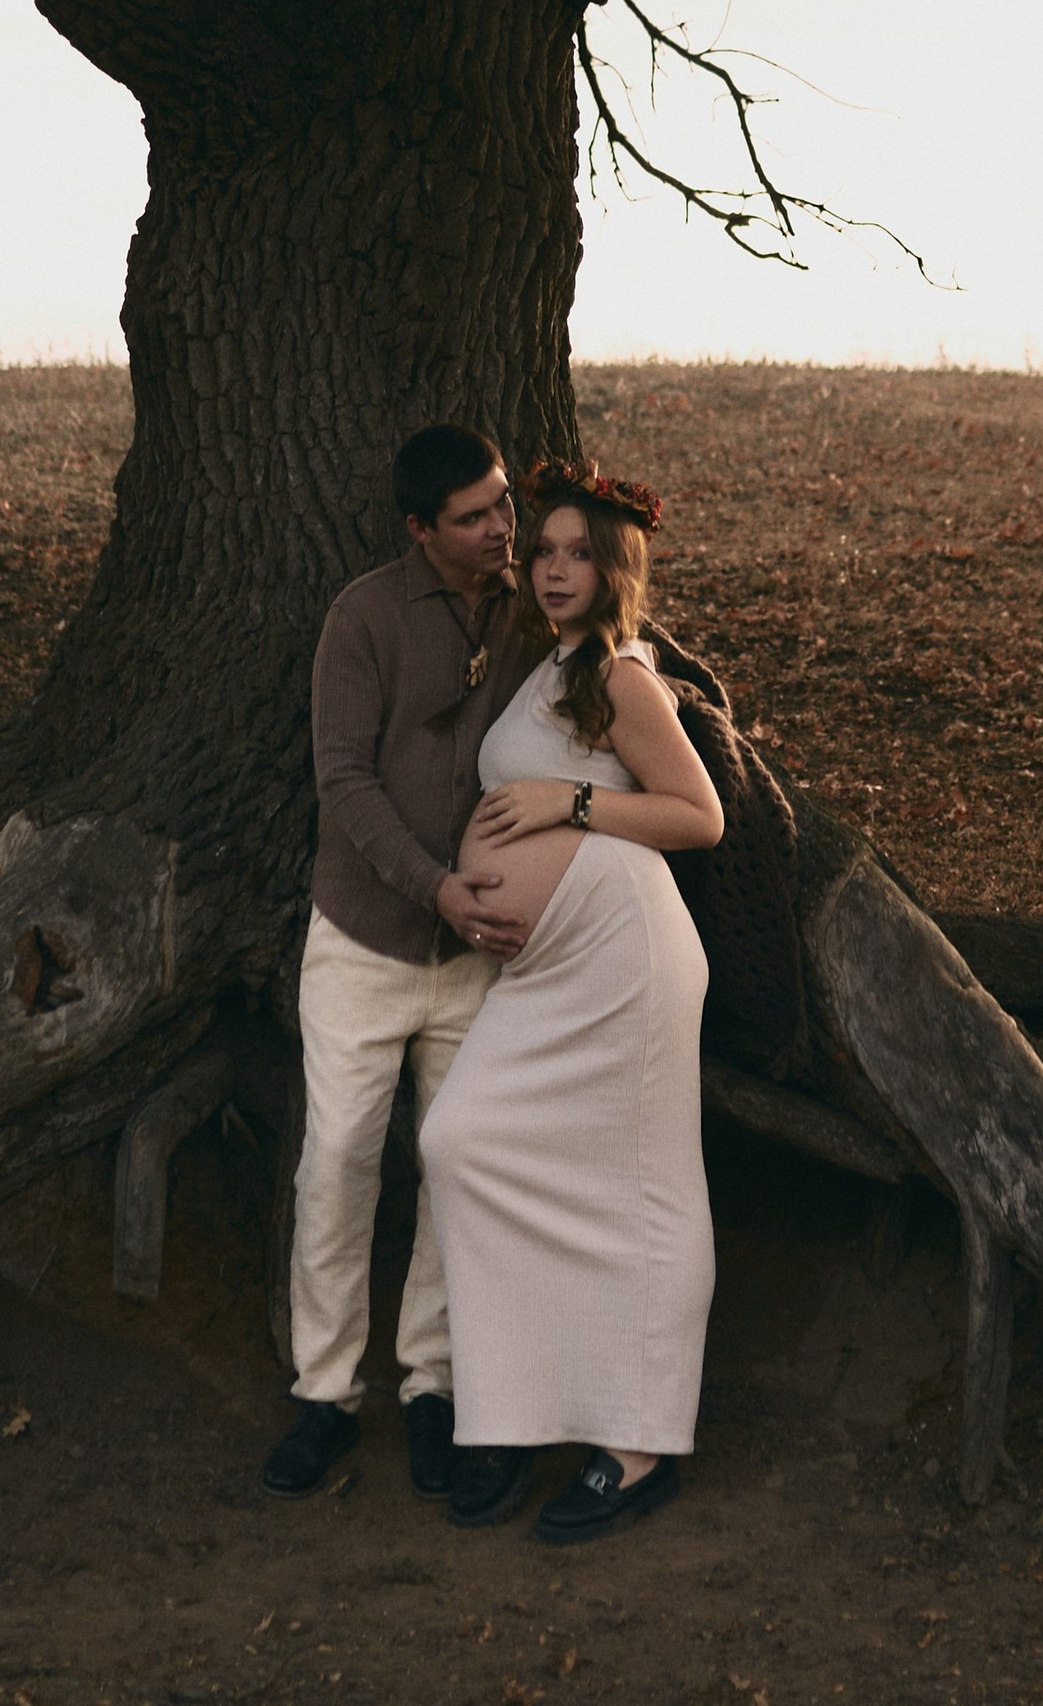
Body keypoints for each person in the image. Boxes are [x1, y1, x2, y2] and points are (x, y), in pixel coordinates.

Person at [419, 459, 726, 1544]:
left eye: (576, 551)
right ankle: (514, 1407)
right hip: (549, 964)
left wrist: (571, 798)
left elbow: (698, 816)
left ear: (614, 566)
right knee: (464, 1141)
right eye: (541, 549)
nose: (552, 568)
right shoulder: (547, 662)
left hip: (624, 952)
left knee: (640, 1180)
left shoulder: (621, 677)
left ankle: (639, 1440)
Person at [262, 425, 549, 1506]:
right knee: (334, 1161)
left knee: (457, 1170)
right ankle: (325, 1396)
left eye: (502, 506)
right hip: (363, 940)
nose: (499, 529)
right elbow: (341, 777)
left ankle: (432, 1386)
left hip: (483, 954)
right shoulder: (364, 616)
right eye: (474, 516)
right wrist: (434, 887)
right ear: (419, 529)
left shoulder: (532, 611)